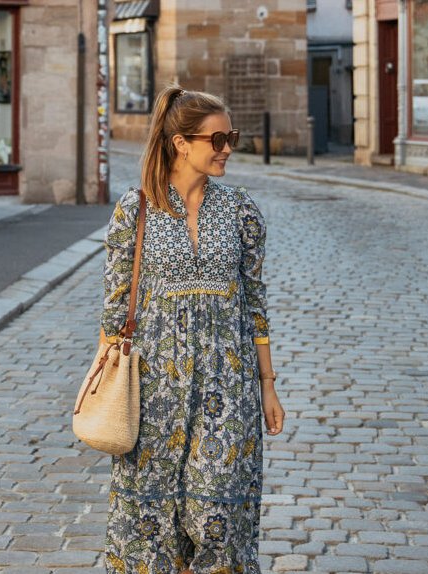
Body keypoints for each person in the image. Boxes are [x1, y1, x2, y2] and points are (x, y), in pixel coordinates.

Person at [100, 85, 285, 573]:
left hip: (228, 386)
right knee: (152, 522)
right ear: (181, 143)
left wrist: (268, 385)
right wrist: (105, 386)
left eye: (232, 138)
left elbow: (255, 302)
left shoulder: (241, 211)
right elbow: (116, 308)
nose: (226, 149)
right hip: (155, 387)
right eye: (217, 139)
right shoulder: (134, 210)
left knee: (217, 517)